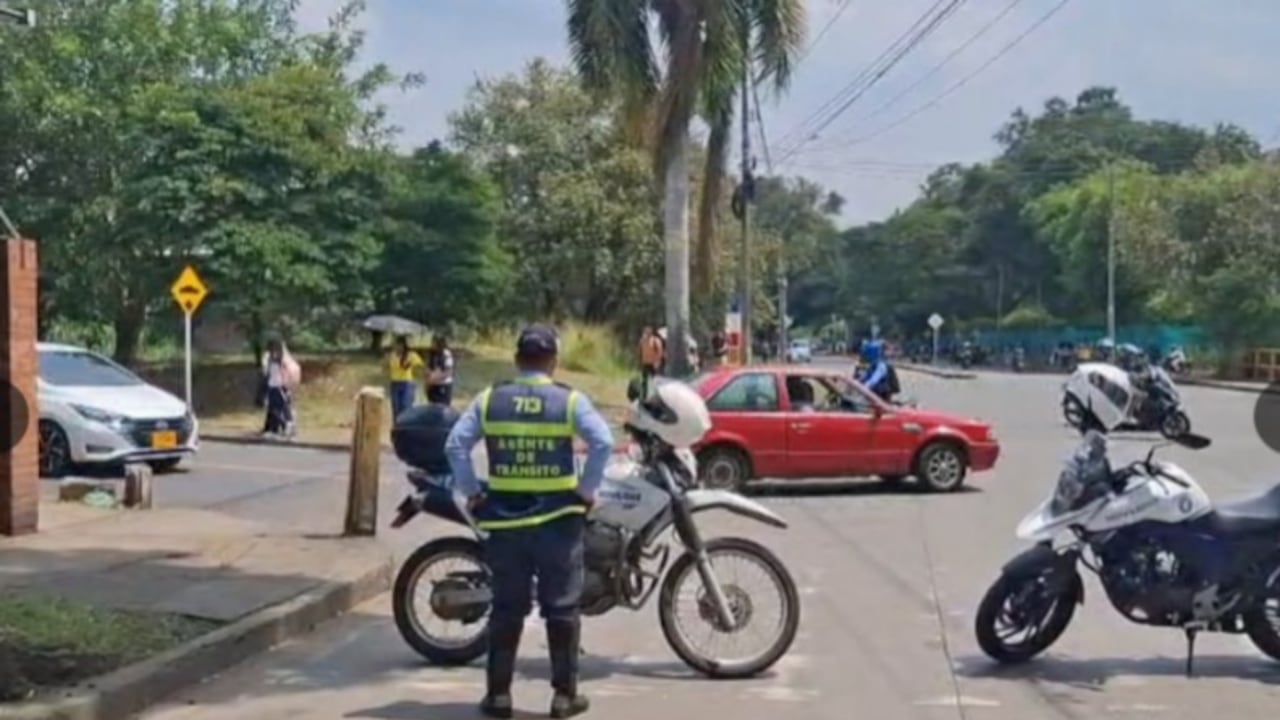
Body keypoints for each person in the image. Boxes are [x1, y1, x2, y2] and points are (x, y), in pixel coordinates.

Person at [444, 324, 614, 719]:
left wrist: (473, 492)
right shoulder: (569, 401)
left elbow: (455, 445)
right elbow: (603, 441)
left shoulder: (490, 399)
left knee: (507, 607)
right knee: (562, 607)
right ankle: (564, 697)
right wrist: (586, 490)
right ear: (553, 361)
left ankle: (499, 696)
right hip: (558, 521)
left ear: (517, 359)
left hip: (506, 523)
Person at [258, 338, 300, 437]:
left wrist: (288, 384)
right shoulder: (272, 358)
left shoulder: (281, 359)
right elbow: (267, 371)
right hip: (273, 386)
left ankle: (287, 426)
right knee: (276, 408)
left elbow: (289, 370)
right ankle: (281, 427)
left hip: (279, 386)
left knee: (282, 408)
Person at [386, 335, 423, 420]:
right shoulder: (392, 355)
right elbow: (386, 368)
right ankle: (397, 425)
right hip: (395, 383)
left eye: (400, 345)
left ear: (404, 346)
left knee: (405, 406)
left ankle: (406, 425)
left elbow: (420, 366)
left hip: (406, 383)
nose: (398, 347)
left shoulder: (411, 355)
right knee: (396, 408)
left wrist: (411, 364)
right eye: (397, 345)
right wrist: (386, 359)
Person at [425, 334, 455, 404]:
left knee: (442, 407)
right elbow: (428, 367)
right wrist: (427, 378)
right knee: (432, 406)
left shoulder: (446, 354)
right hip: (432, 386)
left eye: (434, 342)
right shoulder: (431, 354)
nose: (432, 344)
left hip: (443, 386)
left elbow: (449, 372)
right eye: (432, 342)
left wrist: (435, 378)